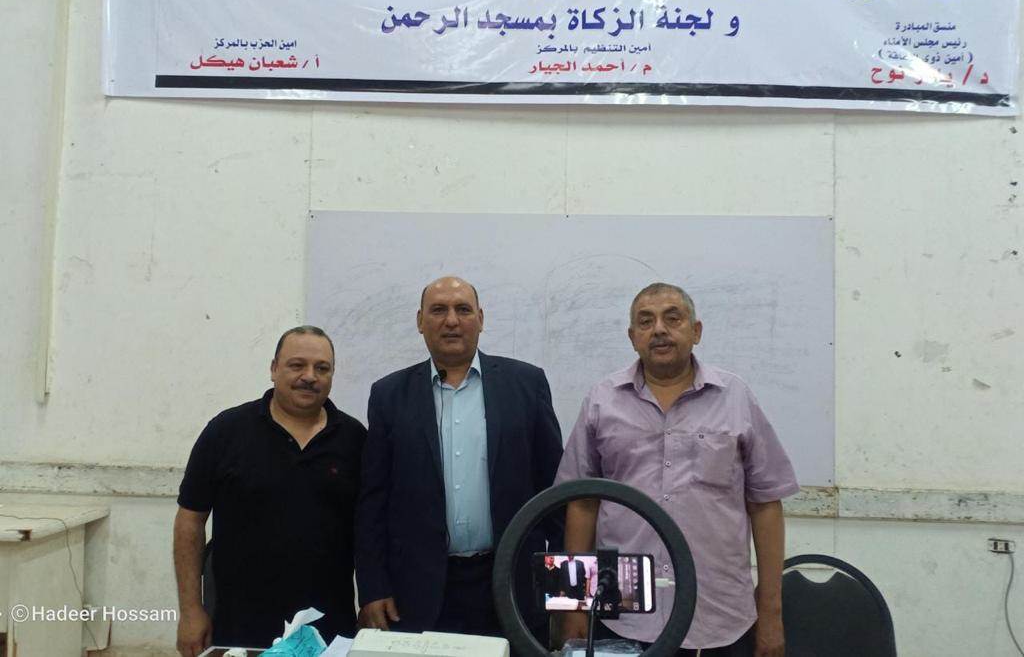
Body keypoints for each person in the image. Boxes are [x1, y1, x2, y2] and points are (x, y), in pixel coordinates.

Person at [557, 283, 799, 657]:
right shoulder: (602, 400)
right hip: (622, 609)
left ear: (696, 331)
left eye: (673, 318)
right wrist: (574, 606)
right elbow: (581, 503)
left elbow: (765, 504)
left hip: (717, 612)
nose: (659, 329)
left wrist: (771, 612)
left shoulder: (735, 397)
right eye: (646, 321)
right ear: (632, 337)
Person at [355, 276, 563, 642]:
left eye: (463, 310)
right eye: (438, 310)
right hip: (416, 592)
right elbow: (373, 500)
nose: (451, 320)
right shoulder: (389, 395)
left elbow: (554, 493)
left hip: (512, 584)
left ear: (480, 319)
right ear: (420, 321)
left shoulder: (526, 384)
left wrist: (565, 593)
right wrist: (373, 587)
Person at [173, 326, 366, 656]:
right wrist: (191, 610)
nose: (310, 376)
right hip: (238, 626)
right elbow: (190, 521)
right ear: (274, 368)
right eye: (297, 365)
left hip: (327, 629)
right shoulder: (226, 432)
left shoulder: (355, 439)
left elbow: (372, 531)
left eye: (322, 368)